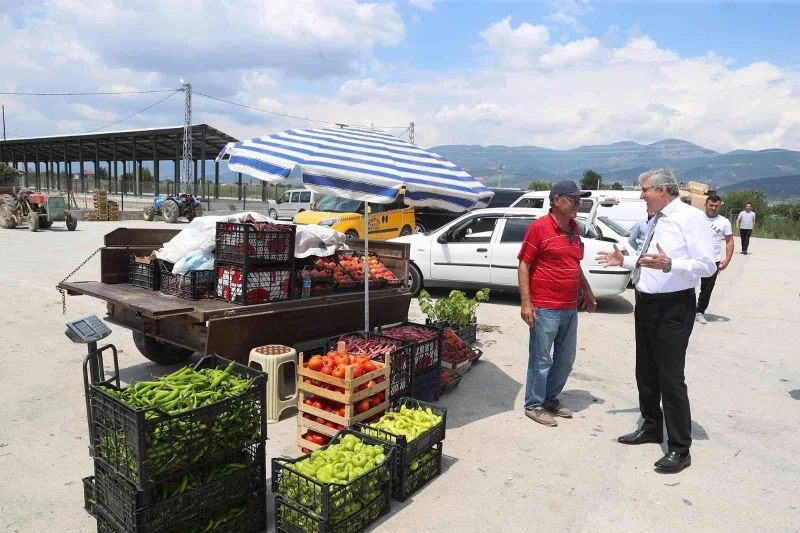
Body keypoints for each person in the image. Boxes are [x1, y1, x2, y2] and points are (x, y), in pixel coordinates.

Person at [596, 169, 716, 472]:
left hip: (674, 307)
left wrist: (671, 263)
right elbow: (648, 258)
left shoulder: (691, 218)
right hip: (647, 303)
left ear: (662, 190)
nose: (641, 195)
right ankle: (651, 426)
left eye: (644, 190)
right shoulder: (655, 219)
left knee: (670, 377)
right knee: (645, 370)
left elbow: (707, 266)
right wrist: (623, 260)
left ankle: (680, 448)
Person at [518, 181, 597, 427]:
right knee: (541, 359)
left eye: (579, 200)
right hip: (545, 307)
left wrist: (587, 291)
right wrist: (526, 304)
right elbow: (524, 265)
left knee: (566, 358)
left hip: (569, 307)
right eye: (574, 200)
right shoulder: (539, 228)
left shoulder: (575, 228)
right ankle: (533, 404)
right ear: (556, 201)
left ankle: (550, 398)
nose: (578, 204)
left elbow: (574, 264)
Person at [696, 194, 734, 324]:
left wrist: (727, 260)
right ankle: (685, 310)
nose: (713, 208)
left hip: (713, 260)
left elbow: (729, 241)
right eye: (711, 205)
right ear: (705, 205)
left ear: (719, 207)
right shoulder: (695, 218)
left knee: (707, 289)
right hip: (694, 258)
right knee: (686, 286)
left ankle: (700, 311)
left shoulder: (724, 222)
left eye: (716, 206)